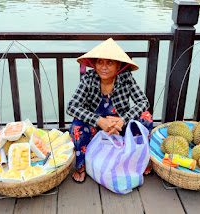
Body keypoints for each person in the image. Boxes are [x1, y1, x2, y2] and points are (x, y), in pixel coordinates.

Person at [66, 38, 153, 183]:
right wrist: (99, 121)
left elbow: (143, 102)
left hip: (119, 126)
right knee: (77, 126)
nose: (103, 67)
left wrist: (122, 120)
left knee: (146, 117)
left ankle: (139, 159)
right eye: (100, 62)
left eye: (110, 62)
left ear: (118, 65)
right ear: (94, 64)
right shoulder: (88, 78)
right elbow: (72, 106)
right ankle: (81, 165)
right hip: (96, 126)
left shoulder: (126, 78)